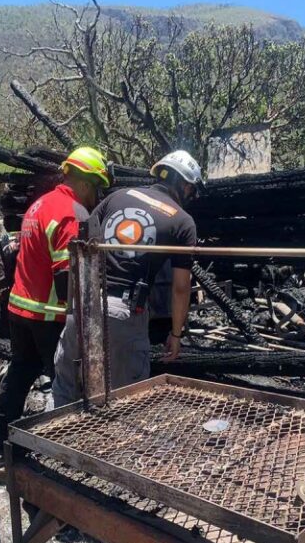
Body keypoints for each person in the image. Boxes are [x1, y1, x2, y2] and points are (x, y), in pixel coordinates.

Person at [0, 146, 111, 452]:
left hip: (20, 308)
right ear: (84, 182)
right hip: (48, 316)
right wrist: (81, 322)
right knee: (66, 381)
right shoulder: (70, 213)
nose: (98, 196)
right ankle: (68, 447)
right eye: (97, 187)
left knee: (21, 370)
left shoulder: (40, 204)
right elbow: (68, 275)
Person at [52, 150, 204, 406]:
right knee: (126, 401)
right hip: (126, 314)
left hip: (84, 305)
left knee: (66, 391)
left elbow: (85, 235)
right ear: (186, 186)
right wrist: (176, 335)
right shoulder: (183, 221)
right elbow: (180, 288)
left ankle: (50, 443)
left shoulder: (118, 196)